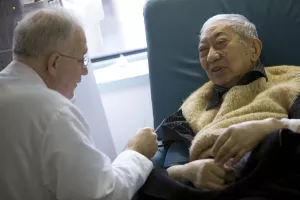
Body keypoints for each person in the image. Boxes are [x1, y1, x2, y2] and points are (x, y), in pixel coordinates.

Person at [0, 9, 158, 200]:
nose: (83, 71)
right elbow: (105, 196)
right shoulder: (54, 113)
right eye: (81, 60)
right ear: (54, 63)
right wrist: (136, 152)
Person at [159, 14, 300, 191]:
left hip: (277, 172)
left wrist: (267, 128)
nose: (211, 56)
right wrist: (189, 171)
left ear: (254, 49)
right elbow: (170, 168)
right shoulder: (190, 108)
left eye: (221, 43)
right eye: (203, 50)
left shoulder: (292, 82)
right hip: (217, 188)